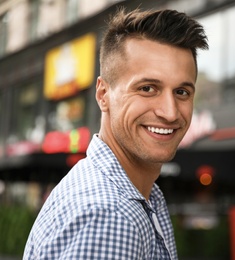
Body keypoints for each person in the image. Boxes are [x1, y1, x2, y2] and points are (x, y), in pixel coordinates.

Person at [23, 7, 208, 259]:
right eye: (147, 88)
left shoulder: (126, 193)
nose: (170, 112)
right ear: (103, 95)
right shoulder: (110, 214)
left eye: (182, 92)